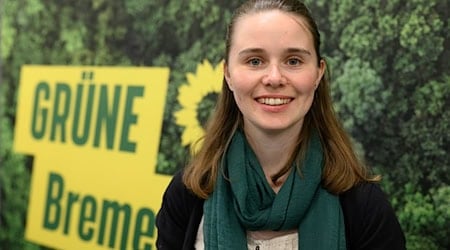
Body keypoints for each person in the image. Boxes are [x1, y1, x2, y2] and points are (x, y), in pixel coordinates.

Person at [156, 0, 406, 249]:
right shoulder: (187, 195)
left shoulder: (363, 205)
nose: (274, 78)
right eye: (255, 61)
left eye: (294, 61)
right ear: (228, 74)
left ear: (318, 73)